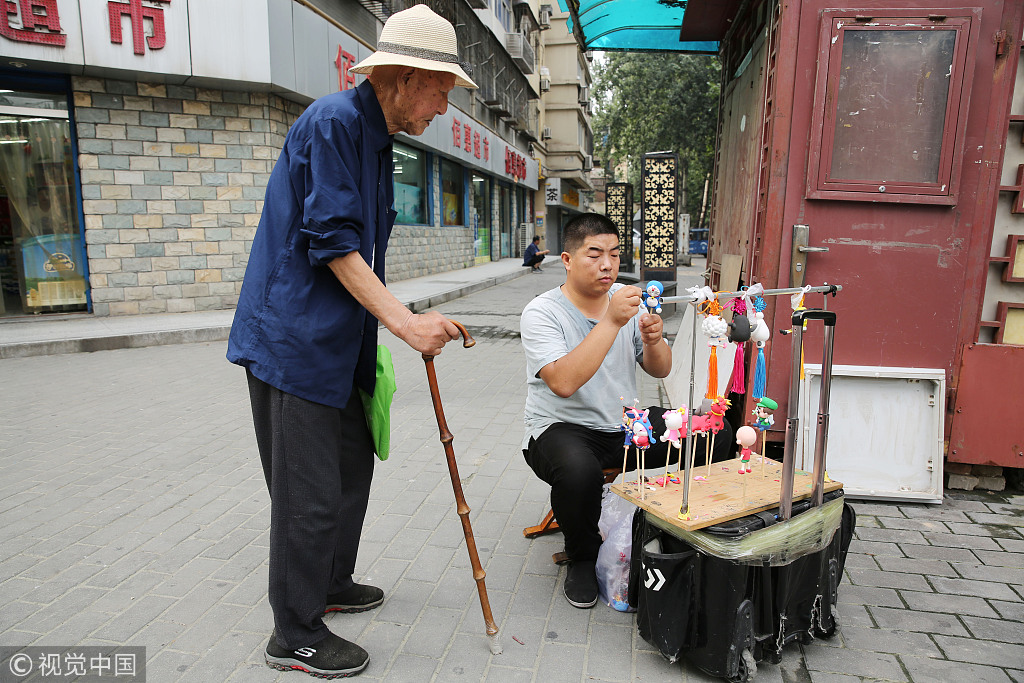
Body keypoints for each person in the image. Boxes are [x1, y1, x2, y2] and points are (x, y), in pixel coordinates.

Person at [226, 5, 478, 678]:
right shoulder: (335, 123)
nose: (444, 108)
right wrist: (405, 321)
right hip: (295, 342)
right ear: (400, 78)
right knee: (308, 491)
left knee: (348, 475)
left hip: (341, 342)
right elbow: (334, 243)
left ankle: (329, 583)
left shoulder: (376, 139)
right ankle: (295, 631)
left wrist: (388, 327)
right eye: (440, 90)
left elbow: (363, 251)